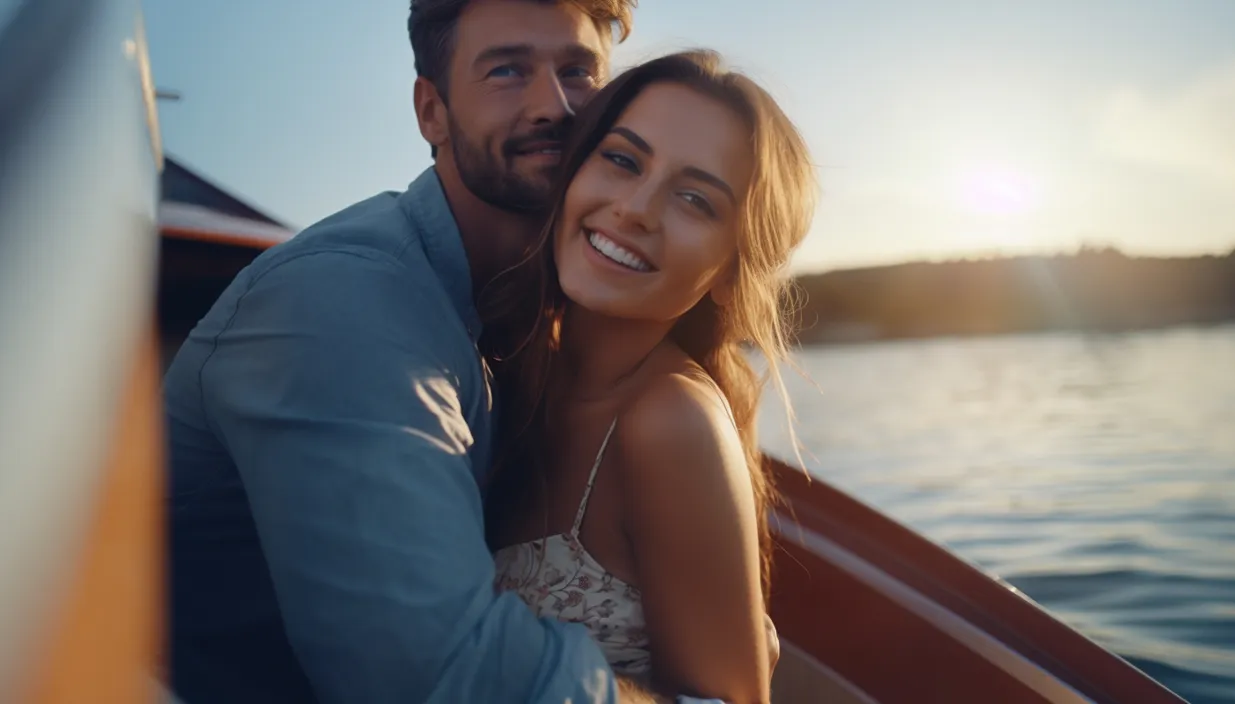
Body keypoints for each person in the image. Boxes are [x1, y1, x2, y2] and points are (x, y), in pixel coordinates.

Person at [159, 1, 727, 702]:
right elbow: (439, 675)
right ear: (431, 112)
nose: (553, 105)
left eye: (578, 71)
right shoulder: (347, 305)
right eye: (507, 71)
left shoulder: (530, 327)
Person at [481, 51, 815, 704]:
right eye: (623, 160)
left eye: (695, 199)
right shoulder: (497, 370)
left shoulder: (671, 422)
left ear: (728, 273)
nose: (635, 208)